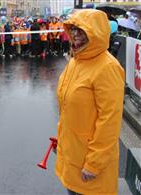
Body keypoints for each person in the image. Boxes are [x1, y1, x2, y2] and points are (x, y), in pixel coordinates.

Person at [55, 9, 124, 195]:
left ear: (97, 32)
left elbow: (110, 121)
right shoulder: (76, 61)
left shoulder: (108, 68)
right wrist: (62, 140)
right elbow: (70, 109)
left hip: (90, 166)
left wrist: (94, 164)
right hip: (73, 156)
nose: (75, 34)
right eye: (73, 29)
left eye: (81, 29)